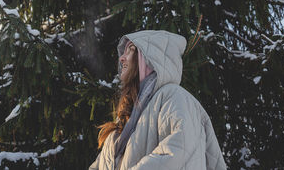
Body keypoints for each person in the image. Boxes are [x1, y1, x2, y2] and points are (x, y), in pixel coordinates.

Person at [89, 30, 227, 170]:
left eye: (130, 50)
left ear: (147, 59)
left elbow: (177, 150)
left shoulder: (174, 96)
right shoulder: (126, 120)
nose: (121, 58)